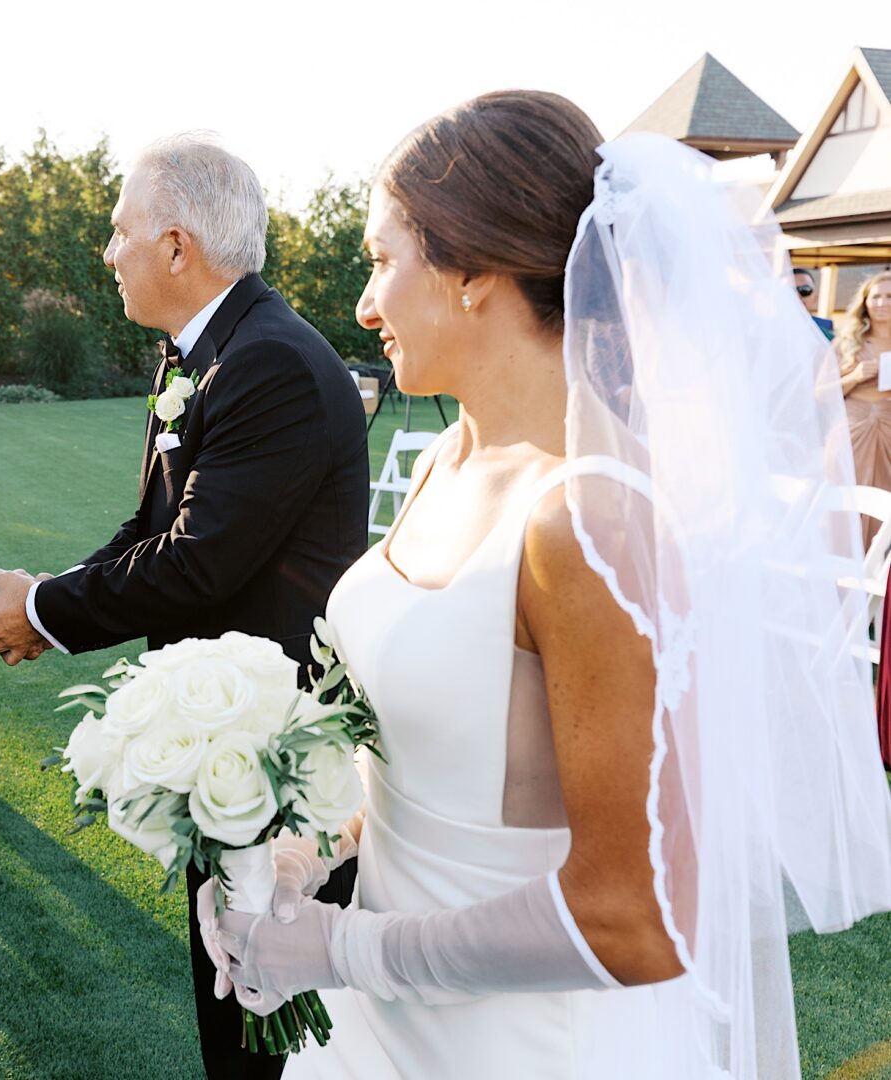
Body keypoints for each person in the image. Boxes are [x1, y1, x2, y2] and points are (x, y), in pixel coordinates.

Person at [198, 94, 891, 1080]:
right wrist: (302, 862)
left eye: (380, 258)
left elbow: (637, 920)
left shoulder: (589, 521)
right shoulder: (446, 458)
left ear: (473, 272)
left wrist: (344, 950)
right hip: (378, 1031)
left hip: (518, 1047)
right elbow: (427, 751)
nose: (363, 303)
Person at [0, 133, 369, 1080]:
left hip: (273, 753)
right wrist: (46, 601)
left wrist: (43, 612)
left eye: (119, 232)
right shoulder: (202, 351)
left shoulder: (267, 363)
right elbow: (152, 524)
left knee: (263, 1008)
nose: (108, 254)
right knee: (226, 980)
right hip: (221, 738)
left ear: (178, 247)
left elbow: (195, 565)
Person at [835, 270, 891, 542]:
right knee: (846, 496)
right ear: (865, 302)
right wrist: (855, 377)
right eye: (876, 296)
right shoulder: (846, 344)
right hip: (851, 432)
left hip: (889, 431)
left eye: (889, 296)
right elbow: (818, 394)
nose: (883, 303)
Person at [794, 266, 834, 339]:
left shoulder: (825, 326)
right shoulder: (769, 327)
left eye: (805, 290)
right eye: (791, 291)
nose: (798, 296)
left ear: (815, 297)